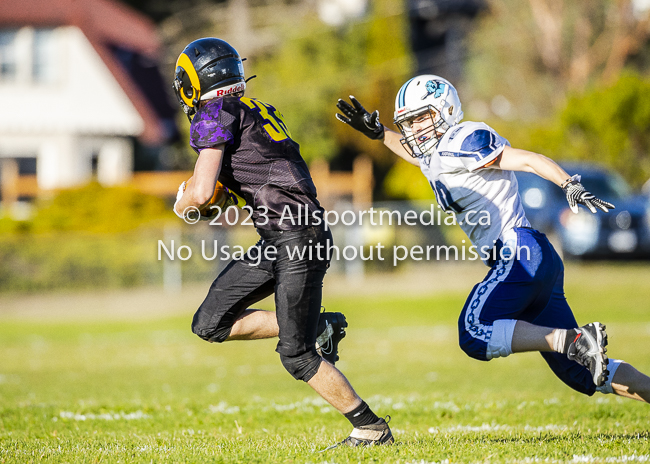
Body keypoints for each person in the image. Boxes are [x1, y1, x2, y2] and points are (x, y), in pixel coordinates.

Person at [336, 75, 650, 403]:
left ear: (444, 109)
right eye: (408, 122)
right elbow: (419, 157)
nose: (413, 129)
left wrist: (568, 182)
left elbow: (528, 159)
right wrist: (380, 133)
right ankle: (577, 345)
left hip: (518, 252)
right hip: (531, 257)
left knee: (473, 332)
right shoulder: (438, 153)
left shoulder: (464, 138)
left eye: (419, 118)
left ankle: (571, 340)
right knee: (582, 373)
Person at [171, 37, 394, 448]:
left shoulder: (214, 111)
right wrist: (210, 199)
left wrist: (185, 202)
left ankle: (370, 428)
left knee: (297, 354)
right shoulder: (252, 108)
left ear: (194, 81)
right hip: (281, 236)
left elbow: (202, 195)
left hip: (295, 237)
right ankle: (319, 324)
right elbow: (244, 181)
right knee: (209, 323)